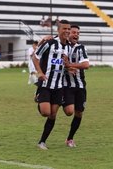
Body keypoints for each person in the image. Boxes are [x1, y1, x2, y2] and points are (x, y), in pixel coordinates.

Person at [32, 19, 71, 150]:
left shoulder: (68, 47)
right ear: (58, 30)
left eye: (68, 29)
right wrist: (40, 73)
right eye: (64, 29)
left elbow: (66, 64)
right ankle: (38, 96)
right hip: (45, 83)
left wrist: (70, 67)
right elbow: (35, 57)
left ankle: (42, 142)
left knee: (52, 114)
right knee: (45, 112)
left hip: (59, 86)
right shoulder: (50, 43)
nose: (66, 31)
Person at [62, 24, 89, 148]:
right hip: (67, 85)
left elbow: (86, 65)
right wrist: (67, 68)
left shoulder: (81, 48)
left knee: (79, 113)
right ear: (68, 33)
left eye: (78, 33)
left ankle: (70, 138)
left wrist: (70, 65)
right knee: (69, 111)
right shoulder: (62, 46)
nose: (76, 35)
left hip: (80, 86)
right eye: (74, 32)